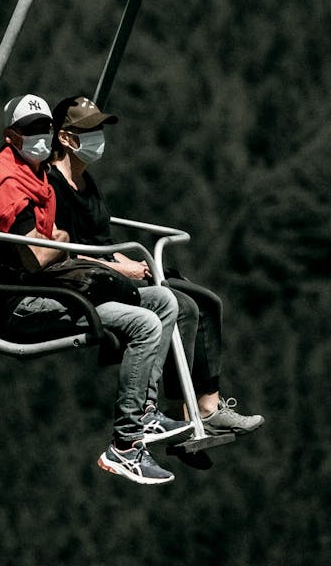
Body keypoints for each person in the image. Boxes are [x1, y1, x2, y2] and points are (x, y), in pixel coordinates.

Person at [0, 94, 192, 485]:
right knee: (144, 324)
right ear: (11, 136)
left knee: (164, 301)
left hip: (46, 290)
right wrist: (58, 239)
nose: (41, 136)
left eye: (46, 127)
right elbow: (35, 257)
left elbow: (46, 248)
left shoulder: (34, 176)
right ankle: (126, 445)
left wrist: (56, 241)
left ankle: (145, 414)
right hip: (20, 303)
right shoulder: (11, 185)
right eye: (31, 130)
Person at [48, 95, 264, 445]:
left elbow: (99, 237)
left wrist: (123, 263)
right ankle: (187, 412)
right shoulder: (53, 186)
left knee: (208, 302)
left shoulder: (86, 182)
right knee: (185, 308)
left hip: (108, 267)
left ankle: (205, 407)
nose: (97, 137)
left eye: (99, 128)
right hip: (85, 279)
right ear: (64, 137)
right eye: (88, 130)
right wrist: (118, 266)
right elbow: (65, 253)